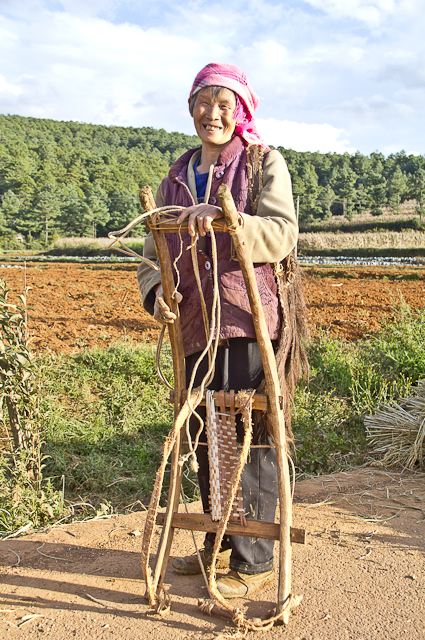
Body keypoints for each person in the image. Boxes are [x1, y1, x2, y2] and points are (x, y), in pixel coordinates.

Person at [137, 62, 298, 599]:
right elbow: (151, 255)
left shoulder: (262, 163)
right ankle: (219, 540)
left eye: (225, 104)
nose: (214, 113)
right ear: (190, 109)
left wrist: (229, 219)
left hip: (245, 320)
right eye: (204, 102)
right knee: (207, 433)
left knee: (249, 433)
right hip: (193, 326)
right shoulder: (176, 176)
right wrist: (157, 292)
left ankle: (254, 558)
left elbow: (280, 233)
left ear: (241, 111)